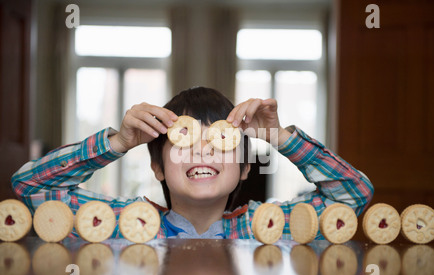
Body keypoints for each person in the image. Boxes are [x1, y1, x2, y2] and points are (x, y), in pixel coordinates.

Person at [11, 87, 374, 239]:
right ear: (157, 166)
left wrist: (282, 138)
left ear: (246, 167)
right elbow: (31, 186)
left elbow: (352, 196)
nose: (202, 151)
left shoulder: (273, 229)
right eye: (184, 141)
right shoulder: (118, 226)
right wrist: (118, 143)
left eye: (219, 141)